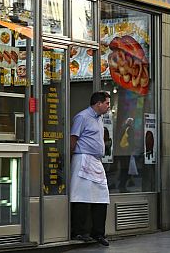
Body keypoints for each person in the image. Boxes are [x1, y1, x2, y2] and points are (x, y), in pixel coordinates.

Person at [70, 91, 111, 246]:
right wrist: (70, 157)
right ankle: (79, 231)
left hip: (96, 161)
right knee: (81, 196)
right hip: (83, 158)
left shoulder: (99, 119)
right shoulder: (82, 117)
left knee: (102, 196)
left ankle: (98, 233)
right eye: (107, 103)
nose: (108, 106)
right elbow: (73, 138)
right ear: (98, 103)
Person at [117, 117, 136, 192]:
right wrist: (132, 150)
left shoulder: (123, 128)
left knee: (123, 169)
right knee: (125, 169)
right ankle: (122, 186)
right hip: (126, 151)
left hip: (122, 151)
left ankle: (122, 184)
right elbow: (131, 140)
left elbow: (119, 139)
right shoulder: (130, 129)